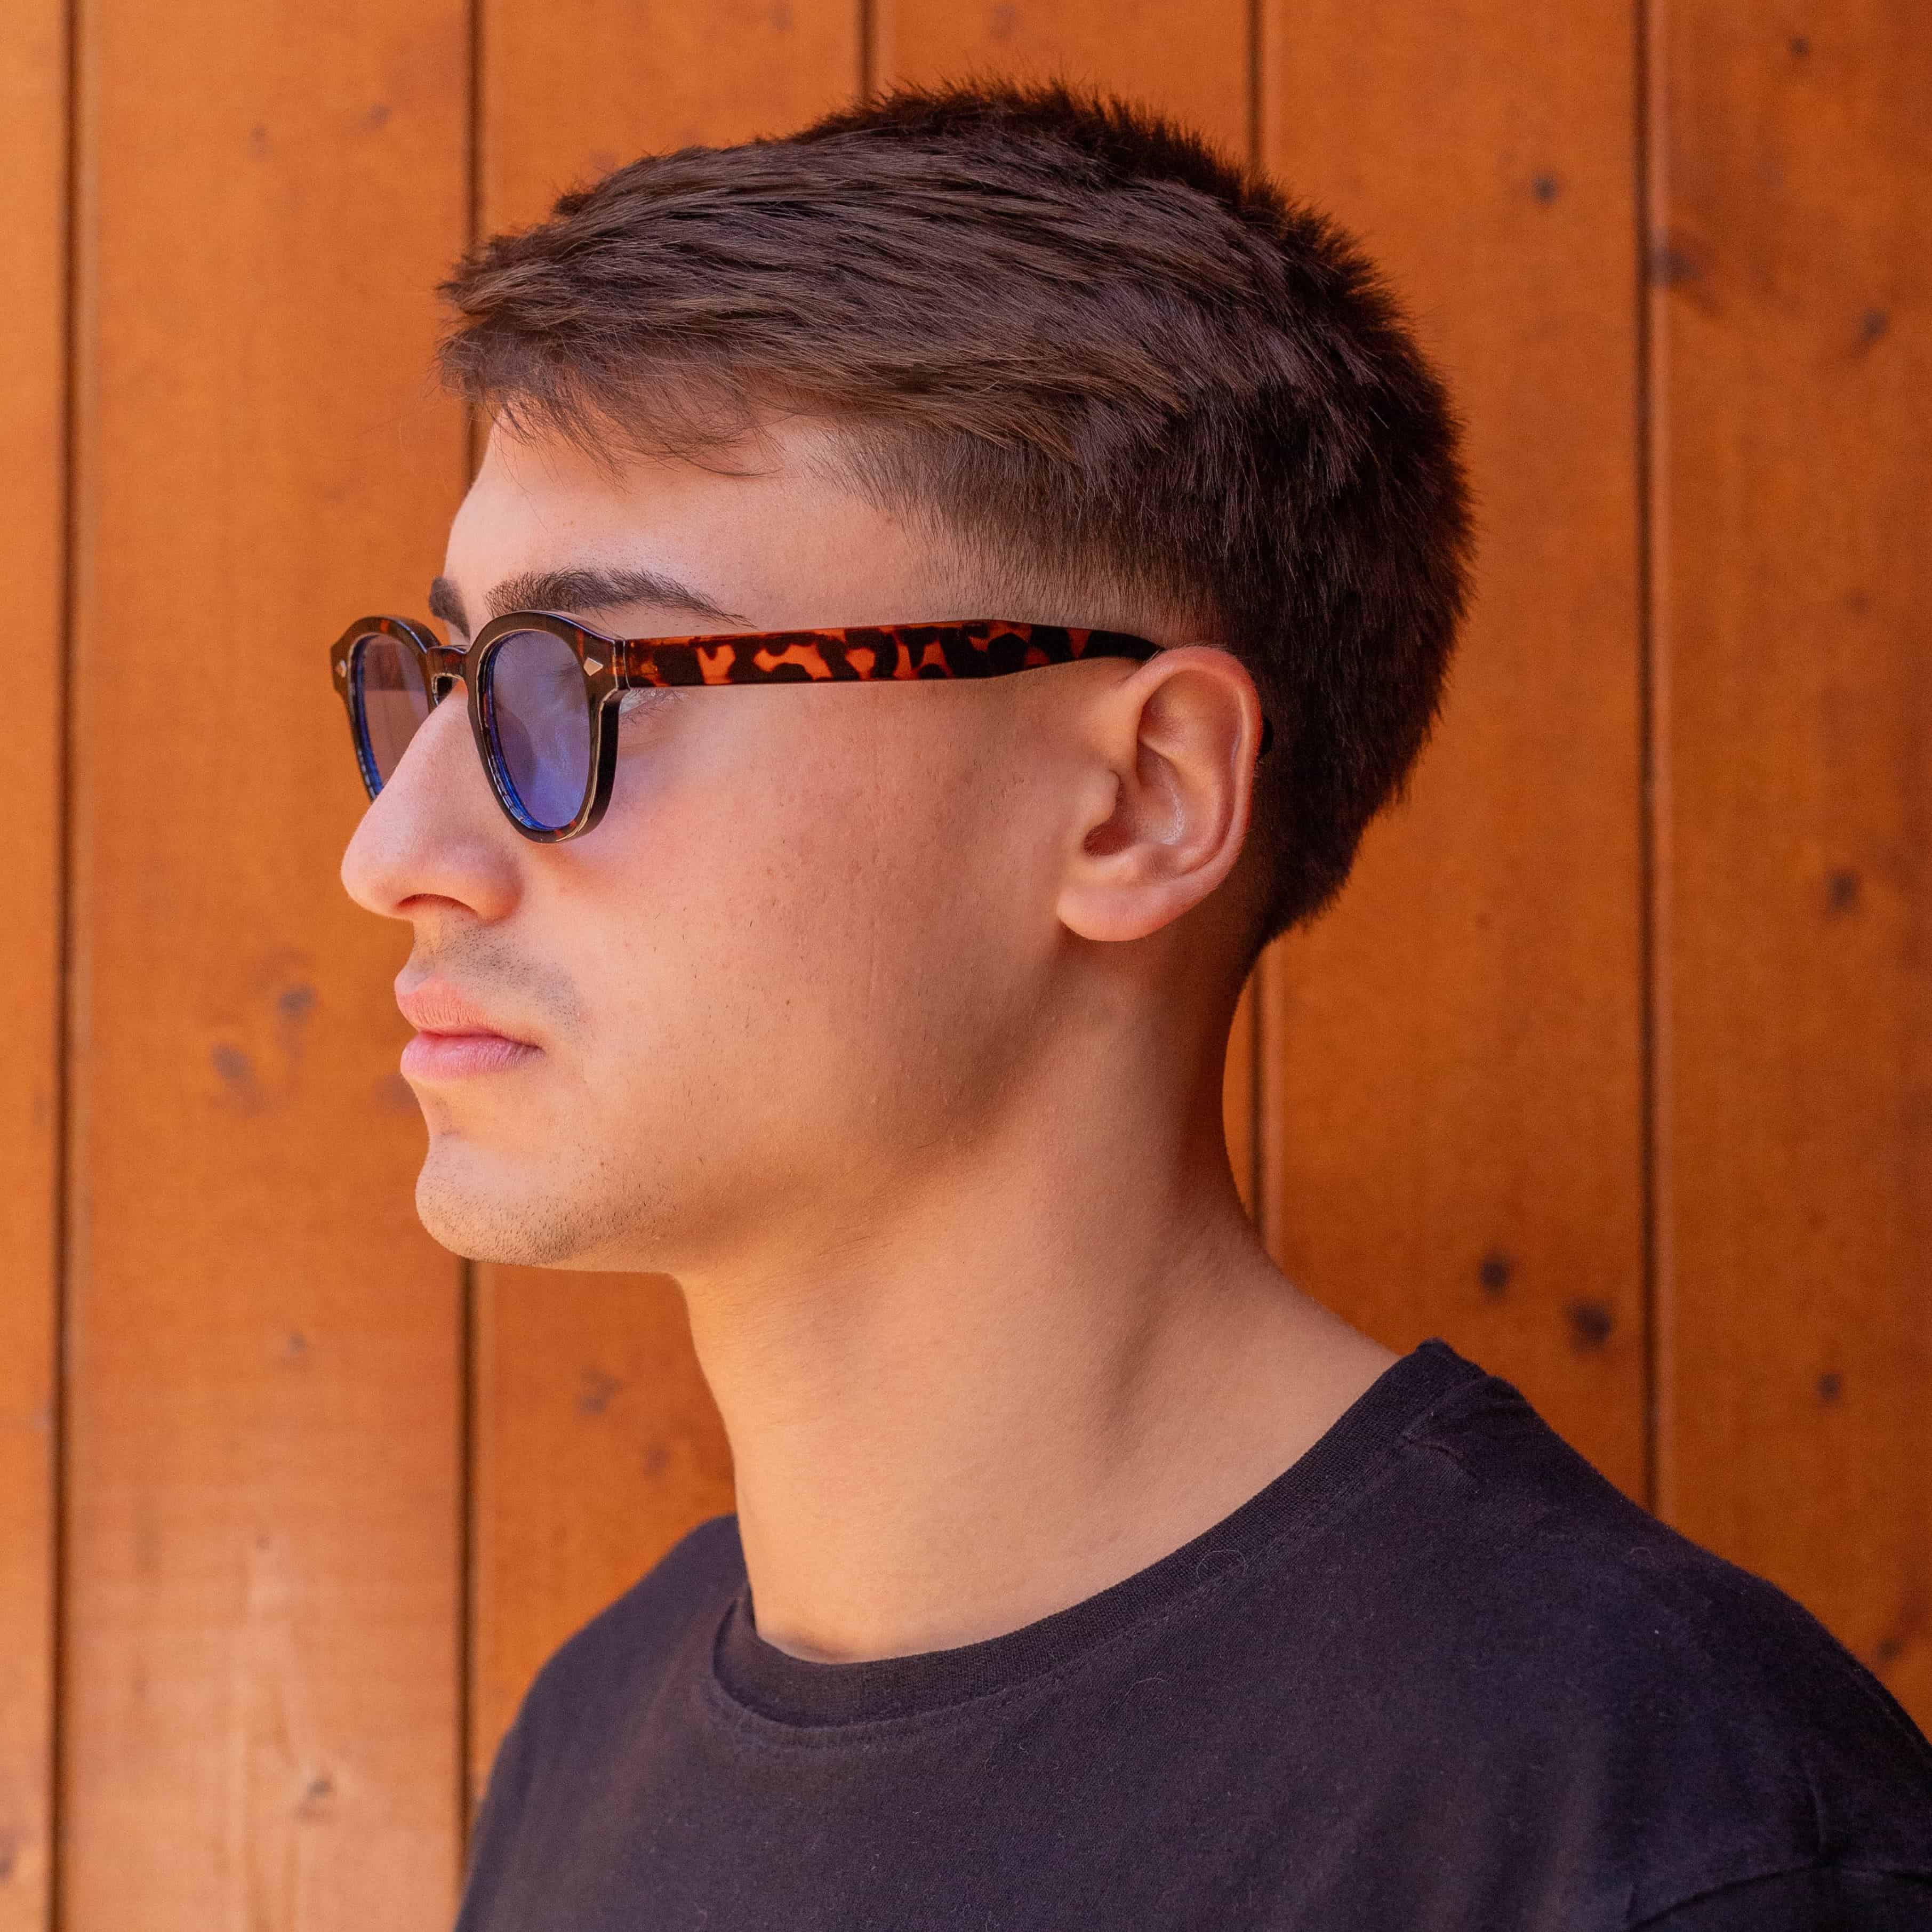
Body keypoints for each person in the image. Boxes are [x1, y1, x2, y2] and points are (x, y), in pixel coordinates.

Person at [333, 79, 1932, 1931]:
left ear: (1140, 798)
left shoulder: (1656, 1837)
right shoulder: (590, 1745)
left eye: (573, 681)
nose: (398, 843)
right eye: (442, 677)